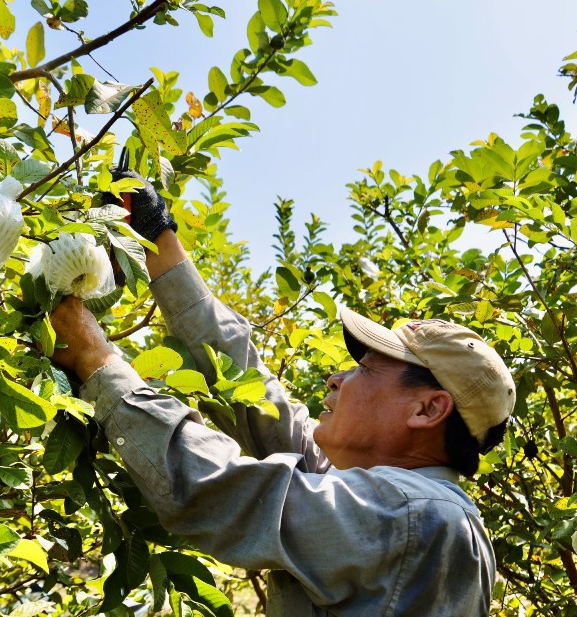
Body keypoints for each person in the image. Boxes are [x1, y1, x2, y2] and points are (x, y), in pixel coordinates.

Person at [48, 171, 515, 616]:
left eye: (366, 369)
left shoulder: (412, 515)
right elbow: (254, 393)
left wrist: (96, 359)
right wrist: (156, 236)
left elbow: (224, 491)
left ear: (428, 408)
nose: (336, 379)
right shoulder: (386, 494)